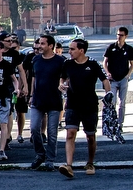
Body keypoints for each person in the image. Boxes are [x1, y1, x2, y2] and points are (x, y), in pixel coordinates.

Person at [59, 39, 109, 178]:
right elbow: (62, 78)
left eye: (72, 49)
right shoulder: (67, 64)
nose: (69, 51)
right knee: (70, 133)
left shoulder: (92, 64)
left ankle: (90, 163)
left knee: (90, 136)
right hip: (72, 104)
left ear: (81, 50)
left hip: (89, 105)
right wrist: (61, 85)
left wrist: (109, 95)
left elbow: (104, 80)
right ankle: (69, 166)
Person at [29, 34, 67, 169]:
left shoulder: (60, 61)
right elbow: (34, 78)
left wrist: (63, 85)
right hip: (38, 99)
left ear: (51, 46)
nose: (39, 46)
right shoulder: (36, 59)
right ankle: (40, 154)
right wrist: (31, 95)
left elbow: (65, 78)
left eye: (43, 43)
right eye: (39, 43)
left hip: (54, 100)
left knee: (52, 132)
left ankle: (50, 159)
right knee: (34, 129)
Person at [103, 27, 133, 130]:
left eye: (121, 35)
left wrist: (128, 74)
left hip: (123, 78)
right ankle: (113, 122)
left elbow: (132, 63)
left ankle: (120, 123)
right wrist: (107, 73)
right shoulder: (111, 47)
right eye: (118, 35)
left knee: (122, 102)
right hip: (113, 79)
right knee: (112, 101)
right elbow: (105, 62)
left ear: (126, 36)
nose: (119, 37)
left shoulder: (128, 49)